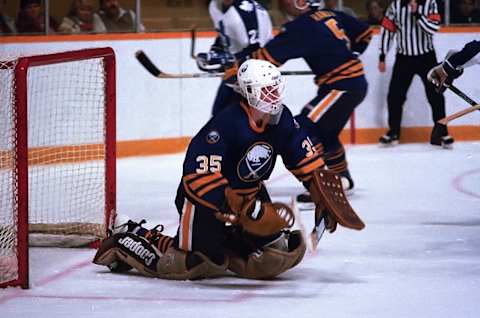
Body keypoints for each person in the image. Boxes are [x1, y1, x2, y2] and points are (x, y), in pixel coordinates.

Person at [93, 59, 365, 280]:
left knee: (277, 247)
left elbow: (301, 153)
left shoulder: (281, 120)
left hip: (249, 198)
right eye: (266, 91)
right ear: (249, 93)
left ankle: (231, 245)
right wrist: (236, 209)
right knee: (186, 263)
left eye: (275, 89)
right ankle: (128, 238)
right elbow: (197, 178)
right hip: (203, 204)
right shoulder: (224, 126)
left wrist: (321, 189)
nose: (274, 97)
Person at [225, 0, 372, 196]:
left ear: (300, 3)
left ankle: (323, 186)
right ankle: (342, 179)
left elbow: (267, 58)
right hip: (350, 84)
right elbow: (365, 33)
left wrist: (235, 67)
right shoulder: (329, 14)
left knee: (302, 129)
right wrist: (349, 55)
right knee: (326, 134)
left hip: (341, 87)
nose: (282, 6)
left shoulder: (301, 27)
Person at [378, 0, 454, 148]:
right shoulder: (396, 5)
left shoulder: (429, 3)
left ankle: (442, 133)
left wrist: (417, 14)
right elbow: (387, 30)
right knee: (394, 96)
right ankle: (393, 132)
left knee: (436, 95)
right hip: (404, 57)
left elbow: (433, 28)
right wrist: (382, 56)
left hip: (426, 57)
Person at [196, 0, 273, 116]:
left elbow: (258, 54)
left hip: (256, 82)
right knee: (216, 121)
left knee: (245, 125)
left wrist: (225, 58)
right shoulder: (215, 5)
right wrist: (216, 50)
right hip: (233, 76)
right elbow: (226, 35)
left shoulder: (245, 14)